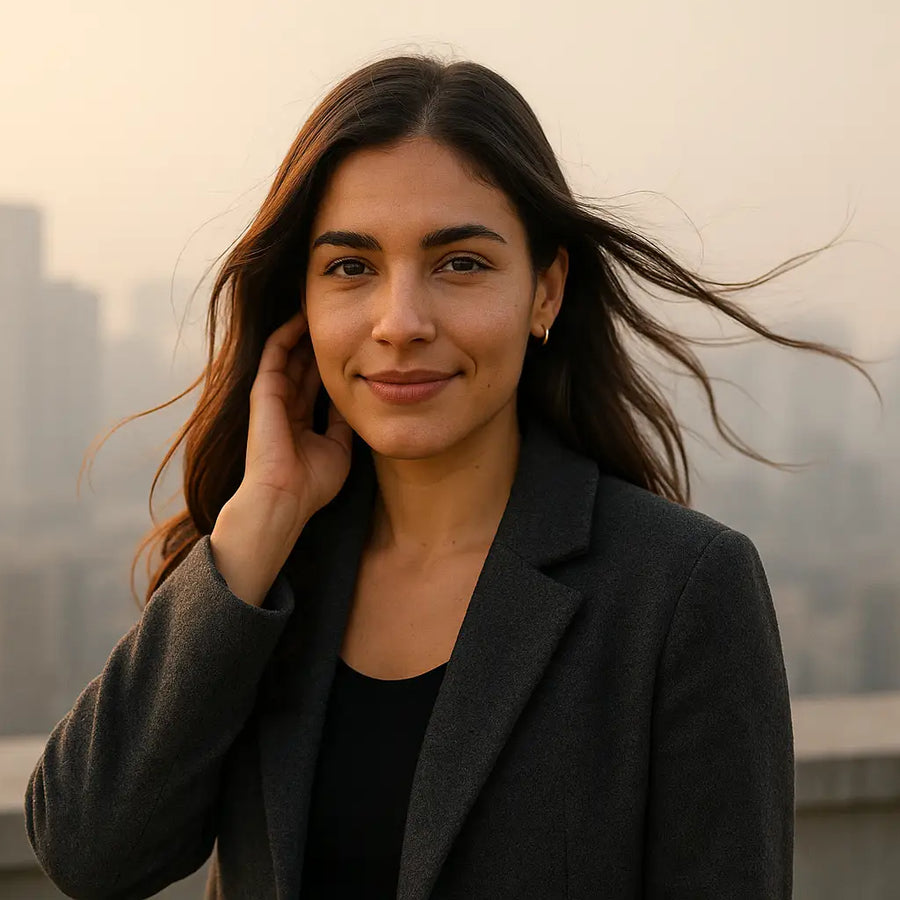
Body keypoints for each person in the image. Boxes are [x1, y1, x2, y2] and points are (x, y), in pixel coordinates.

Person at [24, 53, 876, 899]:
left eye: (459, 263)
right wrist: (261, 518)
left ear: (545, 292)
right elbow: (92, 852)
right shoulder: (268, 578)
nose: (400, 322)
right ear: (304, 305)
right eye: (351, 267)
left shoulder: (681, 590)